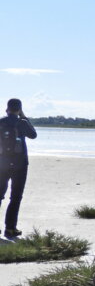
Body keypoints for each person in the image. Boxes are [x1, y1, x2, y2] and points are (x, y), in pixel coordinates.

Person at [0, 98, 37, 238]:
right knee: (15, 197)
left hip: (2, 163)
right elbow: (33, 135)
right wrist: (24, 116)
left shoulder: (1, 121)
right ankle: (10, 228)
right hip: (20, 165)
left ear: (7, 108)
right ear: (19, 109)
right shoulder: (22, 122)